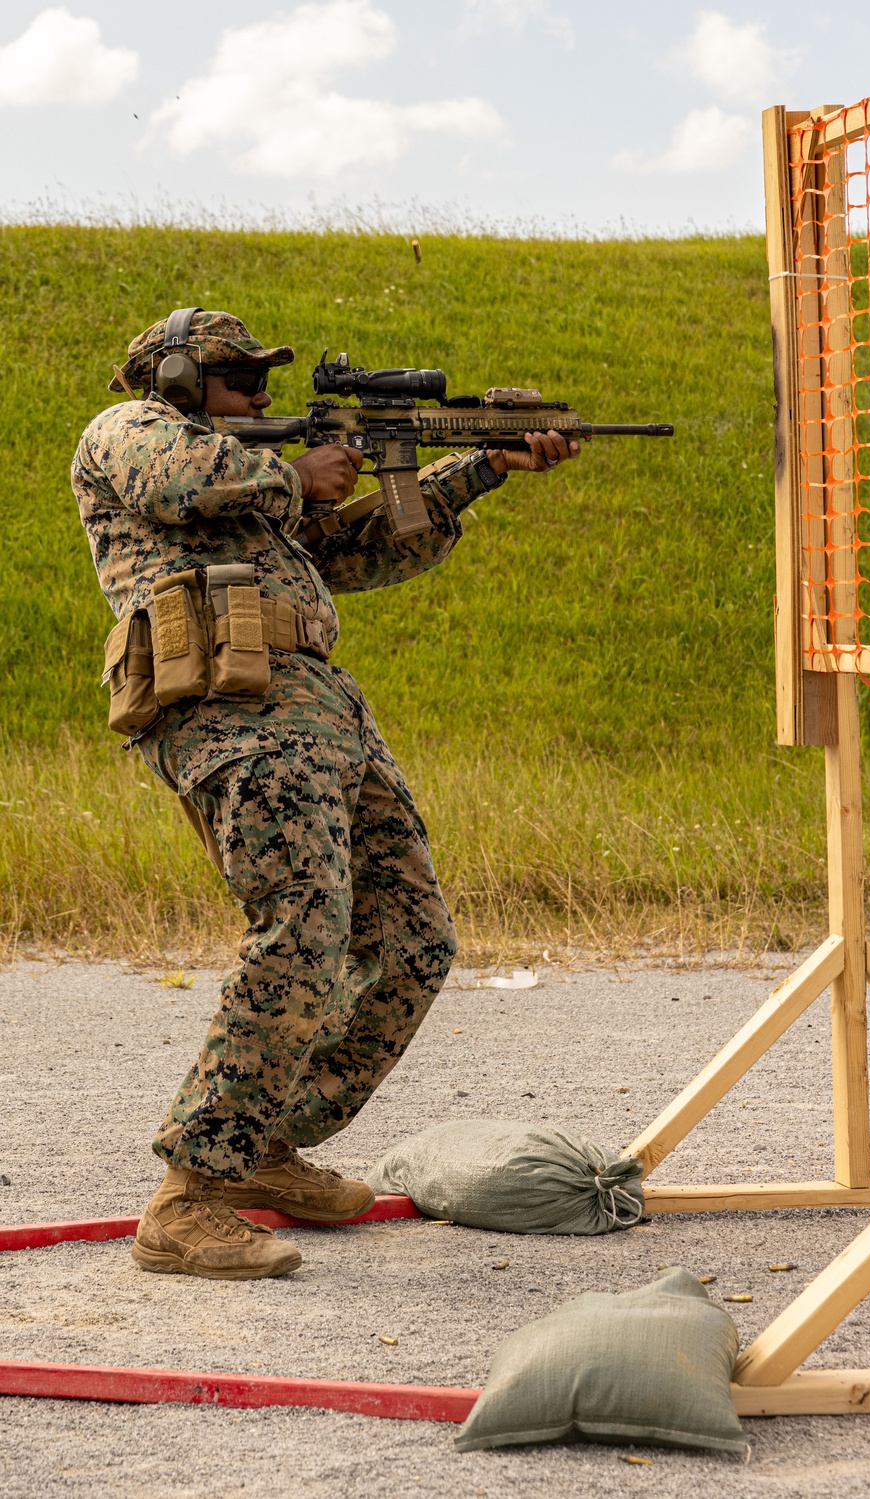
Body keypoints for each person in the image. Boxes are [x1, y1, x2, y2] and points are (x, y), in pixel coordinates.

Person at [72, 309, 579, 1281]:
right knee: (302, 927)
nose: (261, 394)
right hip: (230, 704)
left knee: (412, 937)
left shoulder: (255, 478)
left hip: (320, 707)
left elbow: (365, 550)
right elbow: (175, 482)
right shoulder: (132, 433)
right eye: (239, 377)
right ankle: (188, 1195)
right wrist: (292, 472)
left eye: (264, 379)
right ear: (177, 378)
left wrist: (479, 467)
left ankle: (262, 1140)